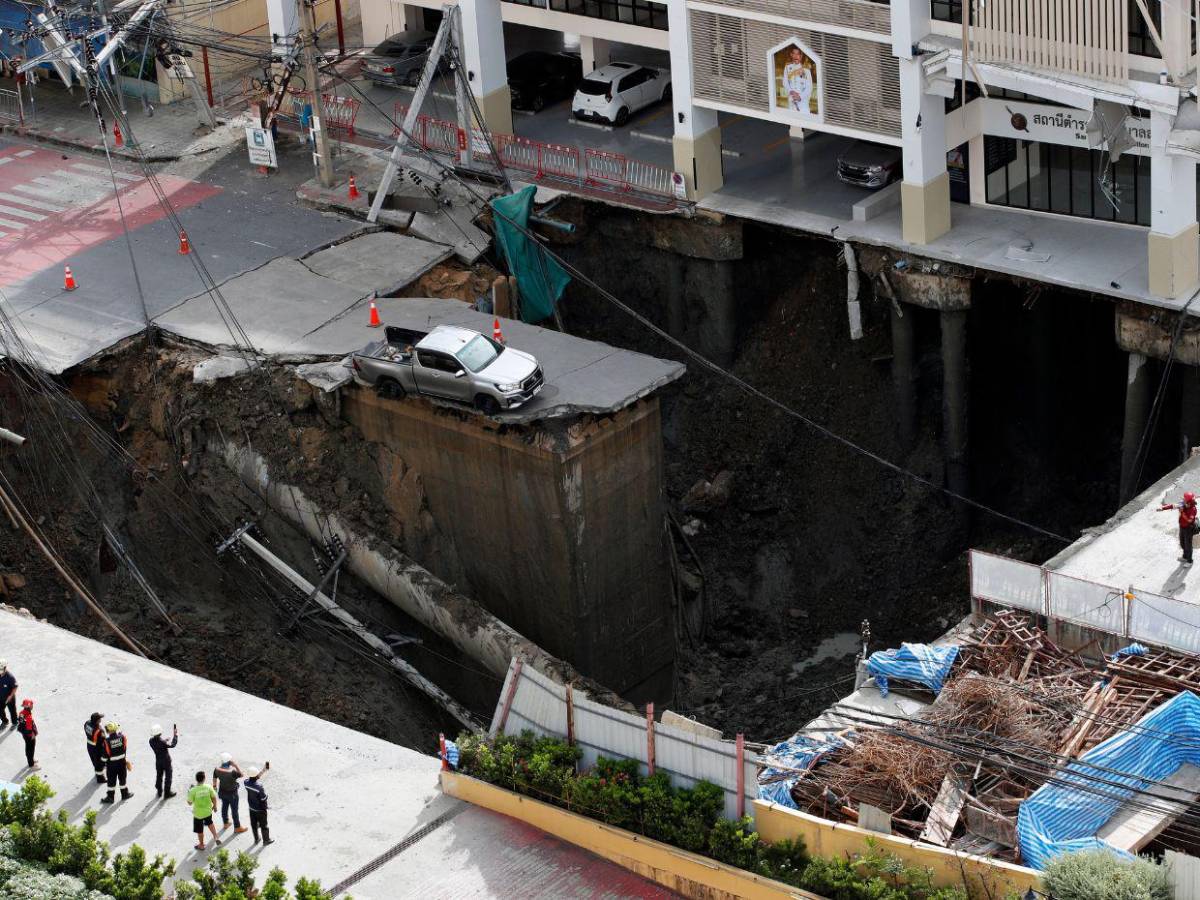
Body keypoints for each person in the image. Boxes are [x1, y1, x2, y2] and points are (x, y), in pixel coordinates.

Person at [1161, 491, 1199, 566]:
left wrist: (1182, 513)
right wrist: (1163, 508)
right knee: (1182, 543)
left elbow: (1189, 520)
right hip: (1182, 526)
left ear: (1188, 501)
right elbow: (1173, 506)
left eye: (1184, 498)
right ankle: (1185, 557)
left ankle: (1189, 561)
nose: (1183, 499)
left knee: (1188, 545)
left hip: (1188, 528)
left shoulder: (1193, 509)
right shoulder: (1183, 503)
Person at [212, 753, 247, 834]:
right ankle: (237, 827)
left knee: (224, 807)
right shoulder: (232, 772)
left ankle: (226, 823)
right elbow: (241, 775)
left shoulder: (216, 769)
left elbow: (214, 780)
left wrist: (214, 788)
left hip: (222, 792)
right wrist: (235, 765)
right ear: (229, 761)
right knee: (234, 810)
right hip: (232, 794)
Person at [99, 721, 133, 804]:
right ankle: (125, 794)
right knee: (122, 779)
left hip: (111, 766)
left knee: (111, 781)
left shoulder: (106, 741)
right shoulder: (123, 737)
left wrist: (102, 763)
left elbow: (105, 755)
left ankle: (110, 797)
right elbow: (124, 748)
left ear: (109, 731)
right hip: (122, 763)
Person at [187, 771, 221, 852]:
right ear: (204, 779)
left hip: (198, 814)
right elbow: (213, 797)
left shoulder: (193, 790)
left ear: (196, 779)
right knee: (210, 823)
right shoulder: (208, 787)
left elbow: (189, 803)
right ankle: (216, 836)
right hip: (208, 811)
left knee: (200, 830)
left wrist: (189, 792)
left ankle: (201, 845)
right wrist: (215, 806)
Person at [243, 762, 273, 845]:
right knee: (264, 825)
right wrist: (267, 795)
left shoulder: (246, 783)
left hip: (251, 808)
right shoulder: (259, 786)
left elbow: (254, 778)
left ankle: (257, 839)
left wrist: (263, 770)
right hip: (260, 809)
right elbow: (263, 798)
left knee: (254, 824)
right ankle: (266, 840)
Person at [149, 724, 179, 799]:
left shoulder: (151, 741)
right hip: (166, 761)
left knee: (159, 775)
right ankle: (167, 793)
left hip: (158, 761)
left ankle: (159, 790)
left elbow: (159, 743)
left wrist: (165, 740)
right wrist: (175, 735)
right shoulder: (162, 742)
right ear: (160, 733)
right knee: (168, 776)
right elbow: (172, 745)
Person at [783, 47, 813, 115]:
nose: (796, 56)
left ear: (801, 56)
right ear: (791, 55)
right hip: (792, 100)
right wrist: (791, 91)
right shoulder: (787, 67)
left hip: (803, 102)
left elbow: (809, 87)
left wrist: (800, 97)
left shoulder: (806, 70)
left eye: (798, 54)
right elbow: (785, 82)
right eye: (794, 54)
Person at [84, 713, 106, 784]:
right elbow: (104, 740)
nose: (101, 719)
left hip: (89, 745)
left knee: (94, 761)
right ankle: (100, 778)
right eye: (100, 718)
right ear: (97, 721)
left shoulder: (87, 723)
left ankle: (98, 768)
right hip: (97, 748)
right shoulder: (99, 731)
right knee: (99, 764)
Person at [16, 699, 36, 769]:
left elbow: (20, 720)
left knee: (28, 748)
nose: (32, 706)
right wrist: (32, 735)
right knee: (31, 749)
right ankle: (31, 764)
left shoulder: (22, 712)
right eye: (32, 705)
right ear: (30, 706)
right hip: (29, 736)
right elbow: (29, 729)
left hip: (24, 734)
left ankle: (31, 760)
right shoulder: (29, 717)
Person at [0, 662, 17, 729]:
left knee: (12, 711)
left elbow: (15, 687)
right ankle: (5, 721)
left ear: (4, 668)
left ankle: (15, 723)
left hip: (9, 698)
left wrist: (10, 696)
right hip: (0, 697)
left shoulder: (10, 677)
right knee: (0, 710)